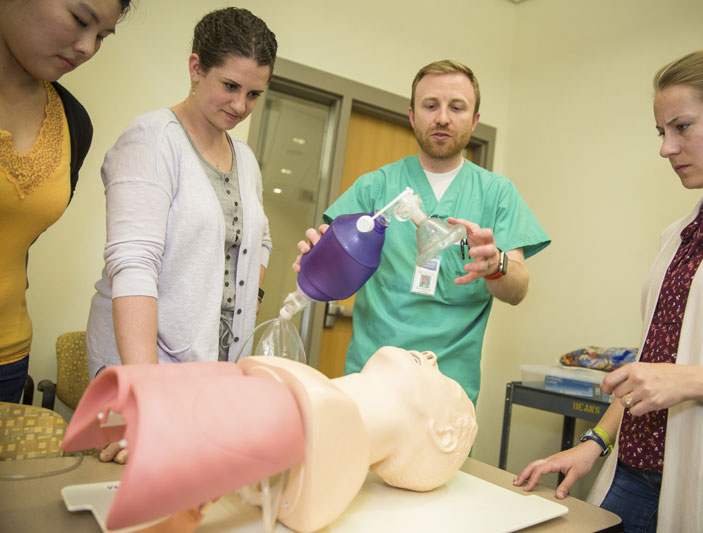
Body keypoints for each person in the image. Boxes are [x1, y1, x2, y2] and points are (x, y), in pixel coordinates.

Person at [514, 47, 703, 532]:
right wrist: (594, 443)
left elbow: (674, 376)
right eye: (661, 132)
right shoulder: (680, 233)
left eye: (682, 127)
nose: (666, 148)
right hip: (633, 474)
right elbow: (653, 366)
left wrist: (688, 380)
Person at [294, 60, 550, 403]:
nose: (442, 117)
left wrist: (497, 265)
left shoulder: (496, 193)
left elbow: (517, 289)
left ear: (474, 121)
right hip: (370, 379)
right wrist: (319, 259)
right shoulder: (375, 186)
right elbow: (330, 265)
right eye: (431, 105)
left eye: (456, 107)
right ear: (413, 115)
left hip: (448, 388)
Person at [85, 7, 276, 462]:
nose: (240, 106)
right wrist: (142, 392)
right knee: (122, 491)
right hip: (140, 368)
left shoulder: (245, 159)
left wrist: (236, 302)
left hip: (213, 369)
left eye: (254, 94)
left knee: (194, 498)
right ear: (196, 68)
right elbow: (133, 265)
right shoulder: (151, 140)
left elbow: (260, 240)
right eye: (230, 86)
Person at [62, 347, 478, 533]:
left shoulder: (323, 425)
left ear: (443, 435)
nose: (431, 358)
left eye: (445, 381)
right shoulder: (307, 395)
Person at [0, 0, 133, 403]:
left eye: (102, 37)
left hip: (8, 355)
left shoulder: (73, 122)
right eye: (80, 21)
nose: (88, 48)